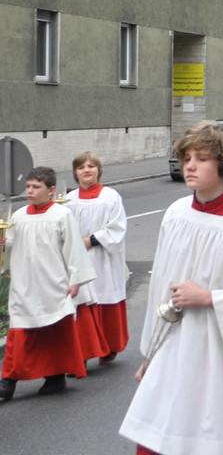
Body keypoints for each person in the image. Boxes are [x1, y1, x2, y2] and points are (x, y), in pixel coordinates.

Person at [120, 122, 223, 454]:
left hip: (217, 359)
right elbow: (159, 291)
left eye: (202, 158)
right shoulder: (176, 214)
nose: (190, 166)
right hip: (172, 351)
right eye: (187, 158)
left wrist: (209, 298)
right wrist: (152, 354)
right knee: (157, 440)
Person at [0, 166, 95, 401]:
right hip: (24, 284)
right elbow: (10, 247)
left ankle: (55, 376)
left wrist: (76, 280)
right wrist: (3, 244)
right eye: (28, 186)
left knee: (54, 332)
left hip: (53, 283)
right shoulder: (18, 216)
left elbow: (73, 248)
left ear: (51, 190)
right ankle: (8, 381)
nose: (30, 191)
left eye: (36, 187)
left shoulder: (61, 215)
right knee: (19, 332)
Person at [67, 152, 130, 368]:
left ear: (99, 170)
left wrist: (90, 241)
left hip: (104, 258)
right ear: (75, 173)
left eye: (91, 166)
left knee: (105, 299)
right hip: (77, 260)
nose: (86, 170)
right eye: (81, 167)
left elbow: (117, 228)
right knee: (81, 304)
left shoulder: (110, 197)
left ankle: (109, 346)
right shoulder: (68, 200)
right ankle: (82, 354)